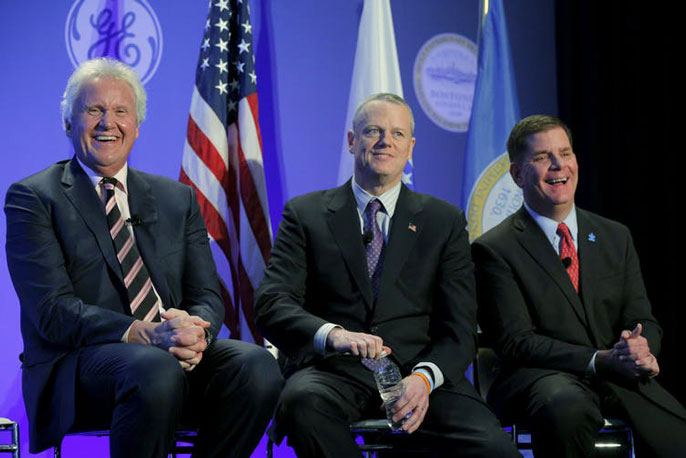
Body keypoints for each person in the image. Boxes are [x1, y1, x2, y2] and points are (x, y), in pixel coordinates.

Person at [4, 58, 282, 457]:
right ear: (69, 122)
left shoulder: (176, 198)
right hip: (78, 368)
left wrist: (194, 332)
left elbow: (206, 294)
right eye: (94, 110)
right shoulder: (34, 198)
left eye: (120, 112)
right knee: (153, 368)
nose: (107, 123)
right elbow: (52, 312)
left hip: (169, 356)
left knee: (256, 366)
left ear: (136, 128)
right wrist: (143, 333)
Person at [255, 93, 519, 458]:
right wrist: (334, 335)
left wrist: (424, 379)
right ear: (352, 141)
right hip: (334, 372)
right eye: (373, 131)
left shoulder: (443, 221)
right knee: (301, 404)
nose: (385, 142)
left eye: (397, 134)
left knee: (494, 448)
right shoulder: (307, 214)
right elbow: (272, 303)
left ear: (410, 147)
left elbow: (459, 327)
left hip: (419, 372)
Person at [472, 114, 686, 457]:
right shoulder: (494, 249)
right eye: (543, 157)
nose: (559, 166)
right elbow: (517, 343)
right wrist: (600, 359)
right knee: (566, 409)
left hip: (616, 376)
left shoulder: (615, 237)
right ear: (516, 174)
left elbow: (643, 319)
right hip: (539, 380)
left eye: (566, 153)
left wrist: (642, 349)